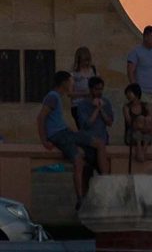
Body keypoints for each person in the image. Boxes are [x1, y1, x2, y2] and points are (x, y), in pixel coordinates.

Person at [36, 71, 108, 210]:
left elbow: (54, 119)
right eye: (70, 81)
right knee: (86, 155)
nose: (72, 84)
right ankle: (89, 192)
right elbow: (41, 118)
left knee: (85, 154)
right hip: (60, 135)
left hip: (65, 132)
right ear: (64, 82)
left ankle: (88, 191)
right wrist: (44, 140)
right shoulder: (52, 97)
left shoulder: (57, 97)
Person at [127, 25, 152, 122]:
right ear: (146, 37)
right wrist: (135, 92)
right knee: (143, 121)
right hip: (142, 93)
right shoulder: (136, 52)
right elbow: (130, 71)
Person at [123, 83, 152, 162]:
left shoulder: (147, 106)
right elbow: (129, 123)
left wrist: (144, 127)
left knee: (148, 120)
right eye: (127, 94)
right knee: (140, 120)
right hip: (132, 134)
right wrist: (140, 124)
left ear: (136, 93)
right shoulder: (126, 107)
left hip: (145, 133)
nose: (127, 95)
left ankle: (143, 151)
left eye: (129, 93)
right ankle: (140, 148)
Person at [76, 76, 114, 145]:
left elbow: (110, 123)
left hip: (102, 138)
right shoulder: (82, 104)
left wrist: (101, 109)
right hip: (88, 139)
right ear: (90, 89)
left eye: (101, 89)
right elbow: (86, 125)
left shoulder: (106, 102)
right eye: (96, 89)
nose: (99, 92)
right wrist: (97, 109)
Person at [71, 47, 97, 126]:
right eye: (84, 61)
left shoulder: (93, 71)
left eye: (87, 60)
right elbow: (70, 93)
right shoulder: (73, 73)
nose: (86, 63)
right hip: (78, 105)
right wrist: (84, 93)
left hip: (91, 104)